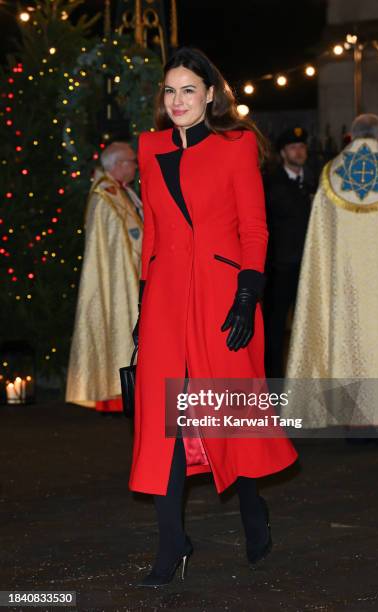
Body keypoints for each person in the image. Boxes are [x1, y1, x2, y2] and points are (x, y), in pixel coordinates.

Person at [129, 47, 298, 587]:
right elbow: (152, 234)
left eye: (188, 91)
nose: (177, 101)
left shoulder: (235, 143)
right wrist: (143, 302)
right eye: (169, 91)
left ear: (209, 95)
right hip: (166, 299)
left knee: (229, 415)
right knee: (164, 423)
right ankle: (172, 543)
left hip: (226, 299)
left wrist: (248, 295)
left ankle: (253, 510)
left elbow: (255, 228)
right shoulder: (150, 147)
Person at [285, 114, 378, 431]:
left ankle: (351, 421)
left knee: (348, 341)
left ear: (350, 137)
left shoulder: (331, 175)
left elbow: (320, 238)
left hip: (344, 284)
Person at [66, 142, 143, 412]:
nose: (136, 166)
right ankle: (115, 393)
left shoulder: (121, 192)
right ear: (119, 164)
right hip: (117, 281)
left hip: (130, 274)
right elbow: (113, 248)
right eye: (132, 161)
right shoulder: (105, 196)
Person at [263, 127, 317, 378]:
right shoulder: (271, 182)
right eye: (294, 147)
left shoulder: (313, 179)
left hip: (310, 266)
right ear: (283, 153)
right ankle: (273, 382)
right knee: (274, 328)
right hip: (279, 268)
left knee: (310, 325)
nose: (300, 151)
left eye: (302, 146)